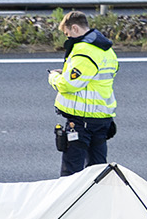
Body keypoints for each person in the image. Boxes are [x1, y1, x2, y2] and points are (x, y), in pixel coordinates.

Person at [49, 10, 118, 177]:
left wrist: (54, 77)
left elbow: (68, 85)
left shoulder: (85, 51)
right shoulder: (106, 50)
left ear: (75, 28)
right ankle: (95, 202)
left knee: (71, 173)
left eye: (67, 34)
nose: (68, 38)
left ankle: (68, 203)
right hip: (102, 119)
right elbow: (92, 79)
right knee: (98, 173)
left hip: (83, 120)